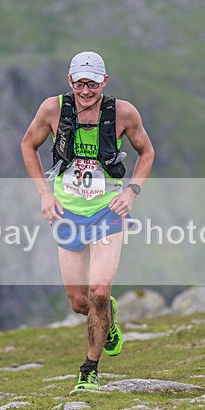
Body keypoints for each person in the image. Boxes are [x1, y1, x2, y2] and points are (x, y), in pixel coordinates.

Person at [21, 51, 155, 391]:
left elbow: (146, 152)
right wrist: (44, 195)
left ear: (104, 82)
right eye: (80, 83)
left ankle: (89, 370)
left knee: (98, 290)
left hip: (107, 212)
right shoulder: (53, 109)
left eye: (92, 84)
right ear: (70, 82)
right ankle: (105, 315)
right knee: (80, 302)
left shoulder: (123, 113)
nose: (86, 91)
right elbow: (28, 145)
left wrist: (131, 193)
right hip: (67, 213)